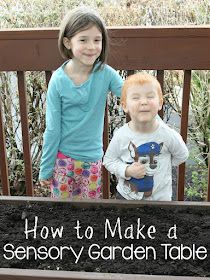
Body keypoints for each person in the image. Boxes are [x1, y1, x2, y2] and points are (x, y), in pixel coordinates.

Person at [39, 6, 124, 199]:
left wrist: (149, 99)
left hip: (92, 160)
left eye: (97, 40)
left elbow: (130, 94)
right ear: (68, 42)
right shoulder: (58, 81)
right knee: (62, 212)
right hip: (62, 160)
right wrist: (46, 168)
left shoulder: (106, 73)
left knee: (89, 212)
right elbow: (52, 129)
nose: (92, 47)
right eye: (83, 40)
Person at [103, 72, 189, 201]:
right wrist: (126, 170)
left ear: (160, 103)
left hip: (161, 201)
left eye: (150, 97)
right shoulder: (121, 135)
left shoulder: (167, 134)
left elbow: (182, 154)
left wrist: (162, 164)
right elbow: (109, 161)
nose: (143, 102)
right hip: (126, 199)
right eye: (136, 98)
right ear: (125, 106)